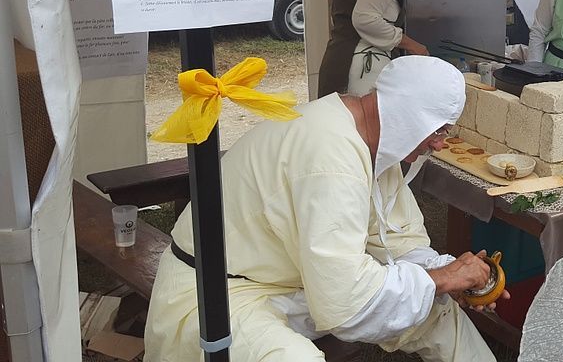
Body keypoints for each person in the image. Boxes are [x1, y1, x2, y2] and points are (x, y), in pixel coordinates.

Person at [145, 56, 507, 361]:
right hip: (214, 296)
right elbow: (346, 306)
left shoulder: (367, 138)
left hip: (292, 281)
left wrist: (453, 276)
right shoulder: (331, 155)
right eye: (438, 130)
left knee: (437, 309)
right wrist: (441, 279)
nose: (439, 144)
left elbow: (398, 242)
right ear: (408, 115)